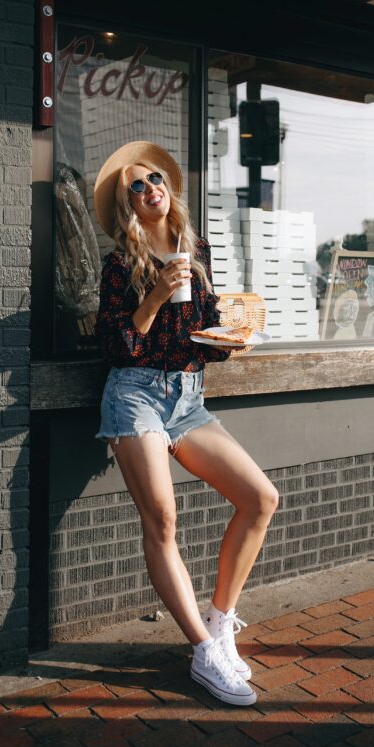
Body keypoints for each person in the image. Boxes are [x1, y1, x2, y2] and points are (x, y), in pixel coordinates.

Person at [93, 141, 279, 707]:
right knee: (164, 521)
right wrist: (152, 295)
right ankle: (202, 653)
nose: (152, 188)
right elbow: (120, 344)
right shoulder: (120, 265)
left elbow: (205, 333)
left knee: (260, 498)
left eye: (156, 179)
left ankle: (220, 622)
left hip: (187, 399)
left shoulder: (196, 253)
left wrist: (230, 338)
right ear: (129, 205)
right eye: (138, 186)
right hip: (136, 397)